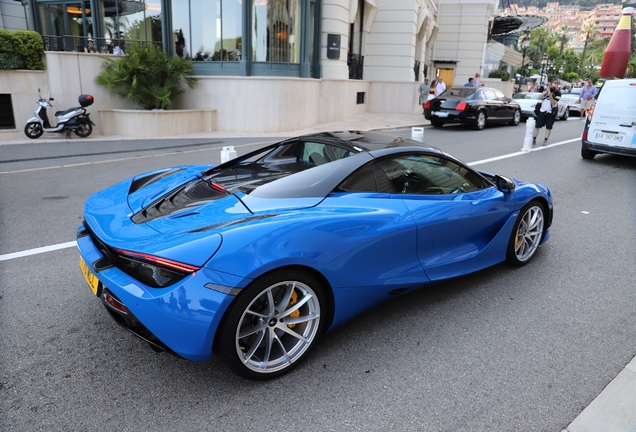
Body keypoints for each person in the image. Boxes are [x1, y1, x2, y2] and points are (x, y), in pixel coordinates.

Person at [532, 81, 561, 146]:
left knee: (549, 127)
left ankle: (545, 140)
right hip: (542, 111)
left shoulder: (558, 93)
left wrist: (551, 96)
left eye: (555, 86)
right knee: (537, 126)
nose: (553, 87)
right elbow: (539, 97)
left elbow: (554, 103)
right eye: (552, 86)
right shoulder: (546, 91)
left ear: (557, 86)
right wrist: (546, 92)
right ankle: (534, 138)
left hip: (550, 112)